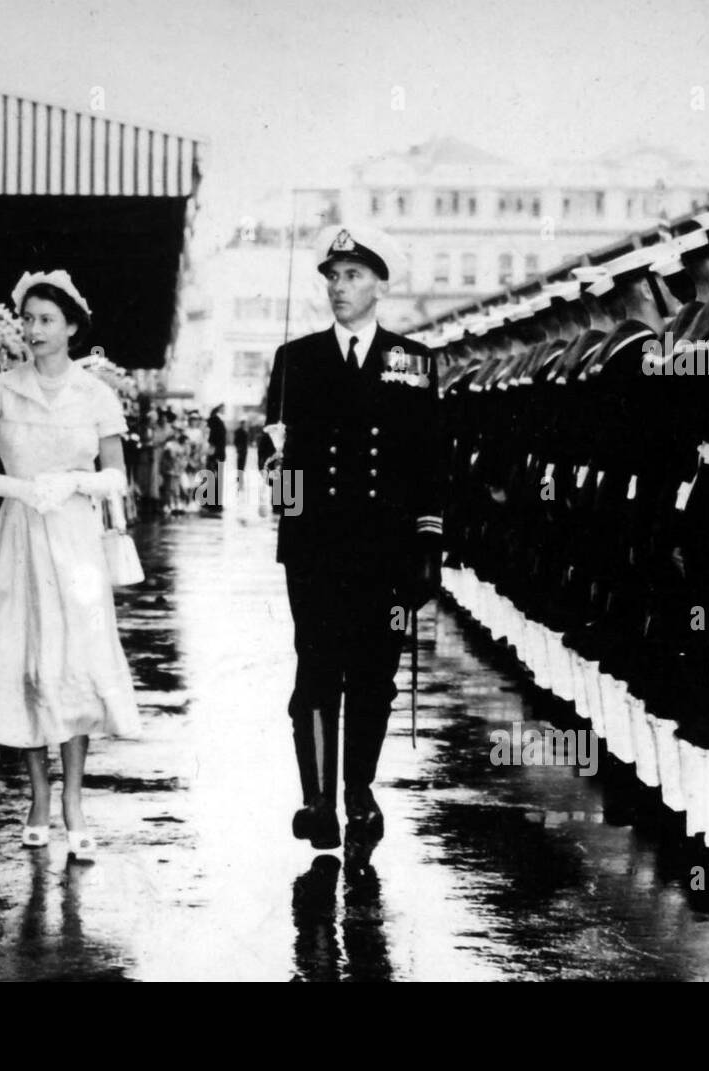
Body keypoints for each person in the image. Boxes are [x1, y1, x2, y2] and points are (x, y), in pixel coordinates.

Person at [0, 269, 140, 861]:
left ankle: (75, 802)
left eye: (45, 320)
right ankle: (37, 797)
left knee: (74, 662)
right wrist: (21, 489)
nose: (32, 330)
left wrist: (76, 482)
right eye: (27, 319)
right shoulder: (1, 388)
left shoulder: (96, 394)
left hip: (76, 541)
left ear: (72, 327)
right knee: (28, 658)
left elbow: (116, 476)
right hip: (20, 537)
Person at [261, 223, 444, 851]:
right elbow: (276, 458)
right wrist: (291, 517)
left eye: (354, 276)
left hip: (387, 553)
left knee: (374, 674)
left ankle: (358, 792)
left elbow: (429, 462)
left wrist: (427, 546)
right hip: (315, 550)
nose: (340, 288)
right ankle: (316, 799)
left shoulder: (412, 361)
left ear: (380, 285)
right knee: (316, 672)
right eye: (333, 277)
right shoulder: (297, 359)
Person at [205, 403, 227, 511]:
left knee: (214, 477)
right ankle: (214, 503)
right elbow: (214, 440)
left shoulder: (215, 420)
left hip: (217, 454)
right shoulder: (215, 420)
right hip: (216, 455)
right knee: (215, 478)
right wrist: (216, 455)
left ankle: (214, 502)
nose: (225, 409)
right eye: (223, 408)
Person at [234, 420, 249, 489]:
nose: (244, 425)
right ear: (242, 424)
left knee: (241, 464)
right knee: (240, 464)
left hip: (243, 450)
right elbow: (236, 441)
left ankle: (240, 476)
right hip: (241, 450)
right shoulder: (240, 431)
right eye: (244, 424)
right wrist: (238, 448)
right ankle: (240, 476)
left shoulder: (244, 431)